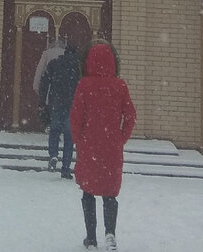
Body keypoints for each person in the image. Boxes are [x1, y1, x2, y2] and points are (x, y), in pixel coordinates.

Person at [69, 41, 135, 250]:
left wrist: (78, 139)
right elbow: (131, 115)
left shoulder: (84, 85)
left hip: (89, 145)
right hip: (111, 147)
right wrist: (121, 137)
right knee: (110, 193)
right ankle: (110, 234)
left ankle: (91, 238)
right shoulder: (120, 86)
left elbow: (75, 117)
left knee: (88, 191)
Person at [38, 38, 81, 177]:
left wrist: (42, 102)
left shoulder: (54, 63)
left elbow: (44, 83)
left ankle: (53, 154)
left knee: (54, 129)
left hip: (56, 102)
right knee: (69, 136)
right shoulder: (78, 67)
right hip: (72, 104)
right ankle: (66, 168)